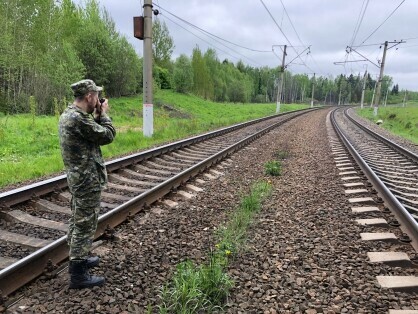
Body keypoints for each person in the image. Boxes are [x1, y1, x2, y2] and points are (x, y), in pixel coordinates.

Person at [58, 79, 116, 289]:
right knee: (85, 223)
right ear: (89, 96)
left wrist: (97, 115)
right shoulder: (80, 120)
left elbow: (91, 133)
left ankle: (78, 258)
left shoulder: (70, 115)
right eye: (96, 96)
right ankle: (78, 275)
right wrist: (104, 114)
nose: (98, 100)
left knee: (78, 218)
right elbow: (108, 135)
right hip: (86, 179)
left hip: (78, 178)